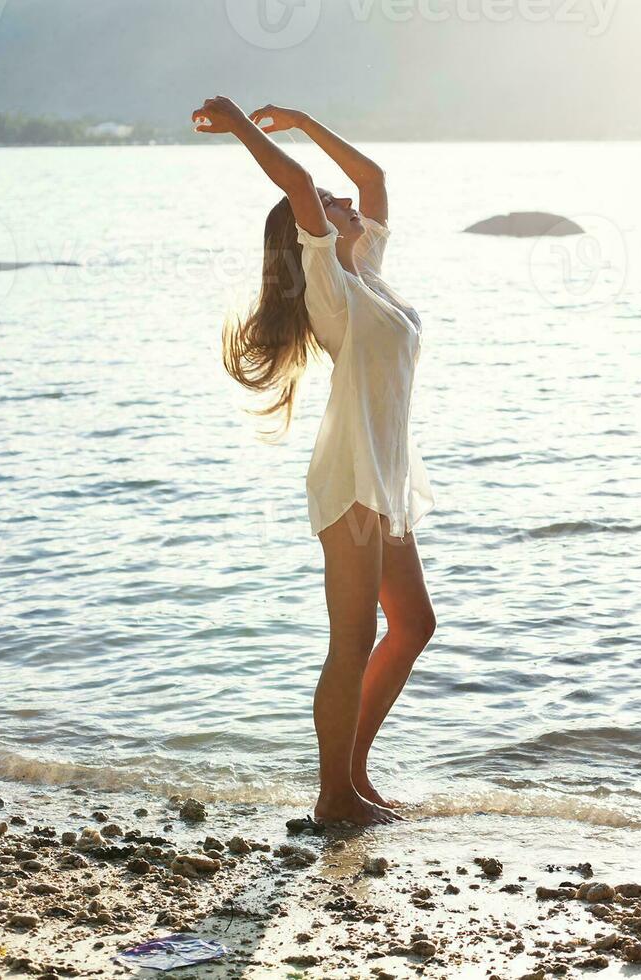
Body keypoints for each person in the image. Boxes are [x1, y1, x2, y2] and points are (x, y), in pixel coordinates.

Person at [194, 95, 436, 827]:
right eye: (331, 206)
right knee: (354, 637)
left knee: (414, 624)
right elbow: (301, 190)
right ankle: (334, 796)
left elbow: (375, 178)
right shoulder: (329, 281)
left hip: (384, 480)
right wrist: (238, 125)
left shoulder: (368, 273)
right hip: (351, 477)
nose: (344, 203)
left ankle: (352, 777)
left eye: (337, 203)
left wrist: (303, 121)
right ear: (316, 234)